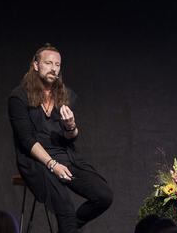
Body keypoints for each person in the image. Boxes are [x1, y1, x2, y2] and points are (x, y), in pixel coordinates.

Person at [7, 44, 112, 233]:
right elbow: (26, 140)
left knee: (103, 196)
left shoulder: (64, 95)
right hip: (36, 161)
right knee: (65, 209)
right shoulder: (19, 97)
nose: (53, 68)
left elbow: (70, 138)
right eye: (48, 63)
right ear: (36, 65)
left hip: (65, 156)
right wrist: (52, 165)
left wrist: (70, 125)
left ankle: (68, 228)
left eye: (57, 64)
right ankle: (68, 225)